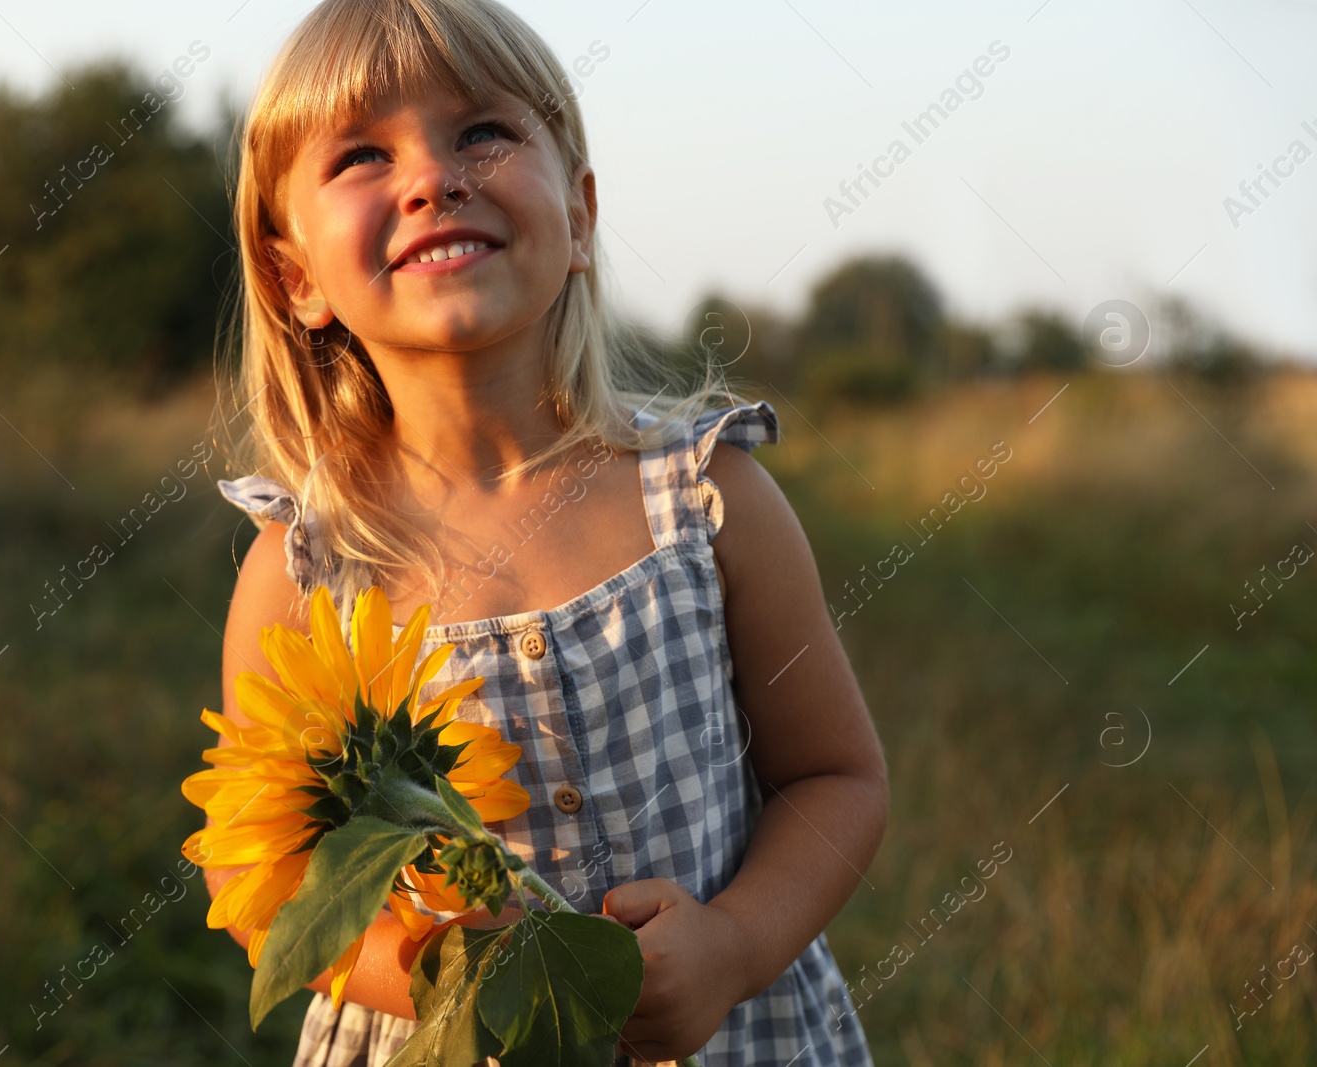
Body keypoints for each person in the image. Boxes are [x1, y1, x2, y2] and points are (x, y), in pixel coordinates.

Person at [198, 0, 888, 1063]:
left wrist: (733, 944)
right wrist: (435, 967)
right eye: (362, 156)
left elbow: (836, 778)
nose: (433, 178)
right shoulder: (306, 571)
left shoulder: (706, 499)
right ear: (296, 275)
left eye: (482, 131)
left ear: (578, 209)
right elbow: (262, 880)